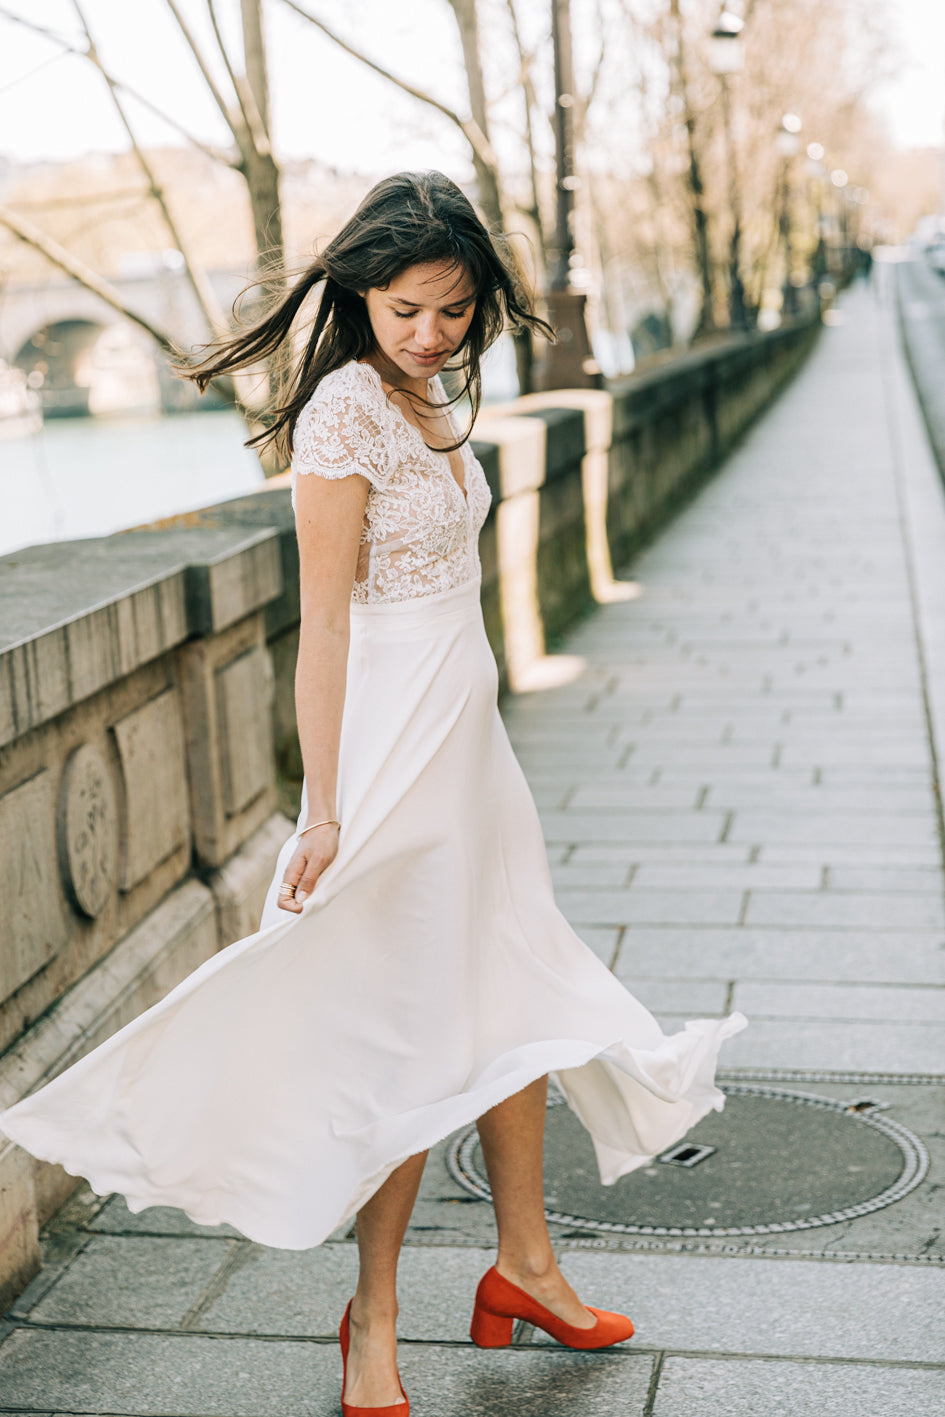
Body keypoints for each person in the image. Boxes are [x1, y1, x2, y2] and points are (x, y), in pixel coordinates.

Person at [0, 171, 745, 1416]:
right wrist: (327, 807)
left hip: (473, 751)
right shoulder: (346, 412)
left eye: (453, 311)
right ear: (358, 295)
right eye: (405, 309)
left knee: (511, 998)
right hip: (396, 750)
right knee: (404, 1033)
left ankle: (525, 1266)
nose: (430, 333)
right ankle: (375, 1319)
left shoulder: (437, 392)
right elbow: (327, 628)